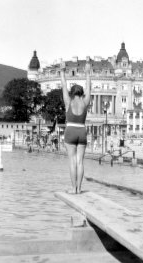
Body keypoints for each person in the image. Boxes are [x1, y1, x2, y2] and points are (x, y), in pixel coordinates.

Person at [60, 57, 91, 194]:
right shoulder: (85, 102)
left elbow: (63, 85)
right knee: (80, 162)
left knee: (72, 161)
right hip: (82, 131)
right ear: (81, 93)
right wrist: (88, 73)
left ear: (72, 93)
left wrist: (62, 71)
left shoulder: (68, 101)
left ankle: (73, 189)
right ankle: (79, 188)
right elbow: (89, 87)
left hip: (70, 130)